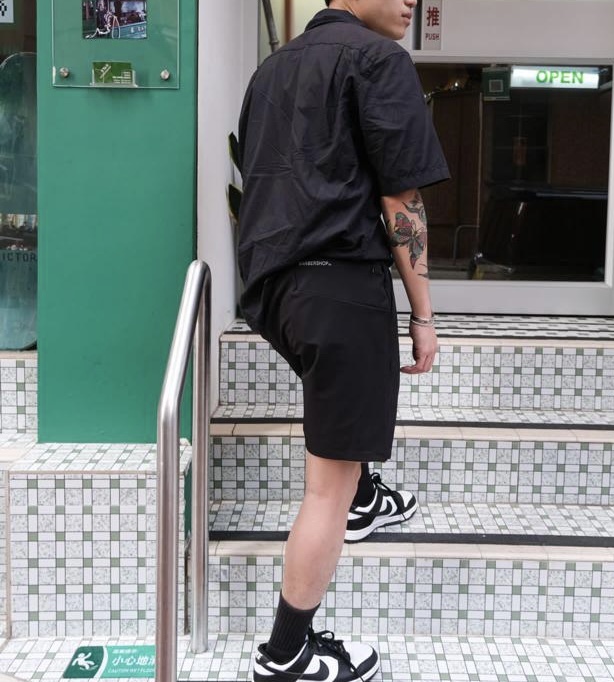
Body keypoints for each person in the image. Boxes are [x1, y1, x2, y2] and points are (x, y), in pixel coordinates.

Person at [237, 1, 450, 680]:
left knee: (341, 437)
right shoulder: (379, 59)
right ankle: (286, 654)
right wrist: (423, 313)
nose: (412, 2)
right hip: (340, 285)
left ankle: (363, 494)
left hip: (277, 290)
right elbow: (400, 201)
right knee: (325, 490)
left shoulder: (272, 69)